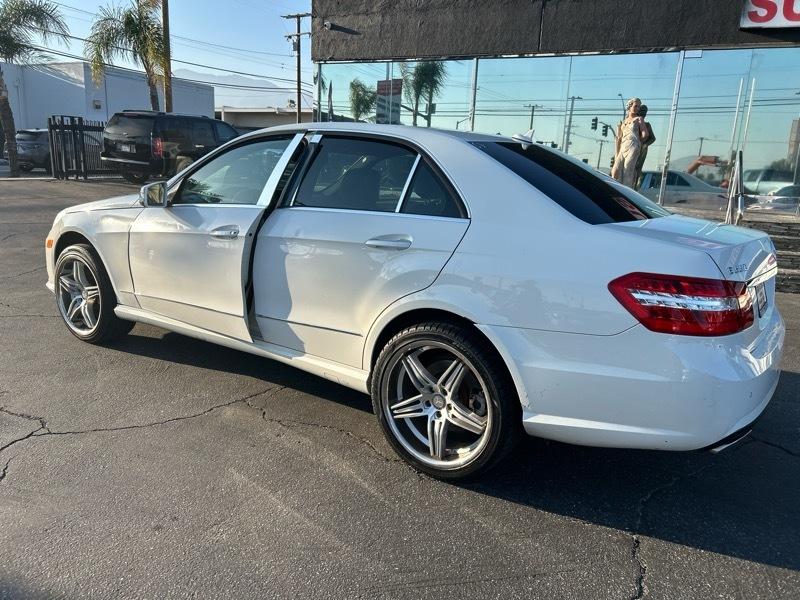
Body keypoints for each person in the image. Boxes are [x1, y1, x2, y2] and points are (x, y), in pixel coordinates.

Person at [611, 97, 649, 188]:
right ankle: (617, 189)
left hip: (633, 146)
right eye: (636, 106)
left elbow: (645, 134)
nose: (637, 108)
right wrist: (617, 152)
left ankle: (626, 191)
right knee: (615, 171)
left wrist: (637, 142)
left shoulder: (639, 119)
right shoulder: (623, 121)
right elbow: (619, 138)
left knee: (628, 170)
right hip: (623, 146)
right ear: (630, 106)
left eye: (639, 107)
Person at [633, 104, 655, 190]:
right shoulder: (632, 123)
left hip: (641, 150)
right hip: (631, 148)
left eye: (644, 112)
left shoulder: (647, 125)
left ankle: (635, 187)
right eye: (641, 111)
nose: (643, 114)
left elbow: (653, 138)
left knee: (637, 168)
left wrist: (645, 145)